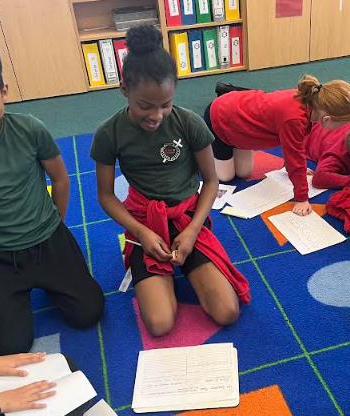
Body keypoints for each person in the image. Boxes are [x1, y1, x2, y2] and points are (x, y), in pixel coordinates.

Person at [0, 43, 105, 356]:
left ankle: (49, 279)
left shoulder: (30, 129)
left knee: (89, 313)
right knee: (6, 347)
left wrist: (56, 223)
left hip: (49, 242)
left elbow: (60, 179)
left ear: (3, 92)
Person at [90, 25, 250, 337]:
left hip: (187, 218)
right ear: (124, 89)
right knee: (160, 323)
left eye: (166, 104)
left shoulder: (189, 123)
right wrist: (141, 233)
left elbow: (211, 182)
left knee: (227, 311)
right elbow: (106, 196)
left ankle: (181, 264)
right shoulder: (109, 133)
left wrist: (192, 232)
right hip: (145, 222)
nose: (156, 115)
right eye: (145, 106)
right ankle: (160, 274)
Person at [205, 76, 350, 216]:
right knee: (226, 177)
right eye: (342, 124)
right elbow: (295, 158)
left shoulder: (309, 101)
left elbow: (293, 147)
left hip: (241, 124)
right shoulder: (294, 119)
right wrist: (301, 198)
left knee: (244, 172)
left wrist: (291, 167)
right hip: (219, 119)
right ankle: (203, 148)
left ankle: (229, 146)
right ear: (327, 119)